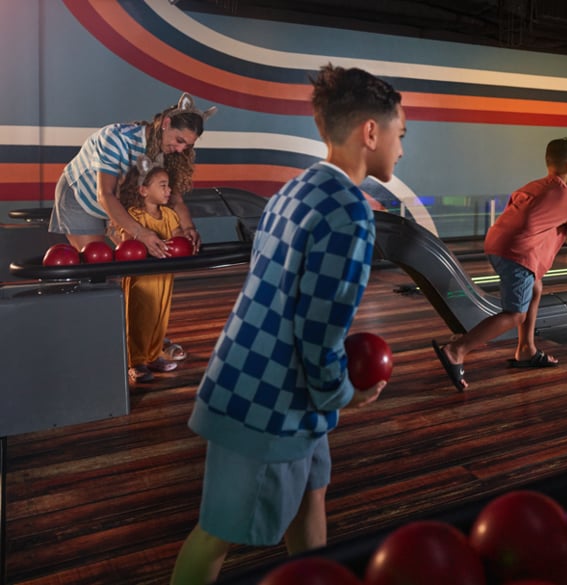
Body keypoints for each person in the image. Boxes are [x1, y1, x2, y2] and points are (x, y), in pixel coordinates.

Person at [169, 65, 403, 584]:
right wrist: (343, 391)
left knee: (310, 497)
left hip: (261, 382)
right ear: (370, 133)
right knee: (216, 535)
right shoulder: (349, 213)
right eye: (400, 134)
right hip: (268, 402)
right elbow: (319, 331)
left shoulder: (296, 190)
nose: (401, 148)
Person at [432, 138, 567, 391]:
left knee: (535, 288)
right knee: (514, 314)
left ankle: (526, 349)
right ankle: (457, 350)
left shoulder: (533, 186)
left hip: (496, 244)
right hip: (516, 253)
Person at [49, 92, 215, 258]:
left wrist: (188, 229)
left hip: (120, 199)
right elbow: (105, 194)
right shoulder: (116, 138)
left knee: (135, 259)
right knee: (96, 263)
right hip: (82, 196)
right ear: (166, 123)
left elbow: (174, 198)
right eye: (179, 140)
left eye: (187, 145)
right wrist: (139, 232)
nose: (181, 149)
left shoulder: (168, 153)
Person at [115, 155, 185, 383]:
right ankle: (135, 362)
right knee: (139, 318)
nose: (168, 190)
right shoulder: (134, 216)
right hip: (141, 280)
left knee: (159, 316)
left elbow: (178, 239)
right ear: (144, 190)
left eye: (169, 185)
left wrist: (184, 240)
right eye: (162, 186)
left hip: (164, 278)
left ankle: (153, 355)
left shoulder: (169, 215)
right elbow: (126, 241)